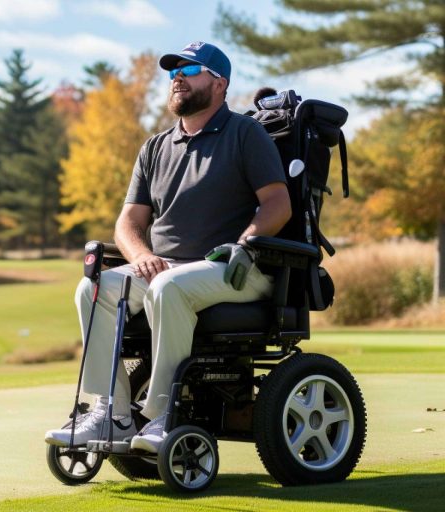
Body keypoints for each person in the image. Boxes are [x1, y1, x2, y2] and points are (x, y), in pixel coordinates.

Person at [45, 42, 292, 454]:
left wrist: (243, 245)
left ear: (219, 83)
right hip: (166, 269)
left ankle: (164, 414)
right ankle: (113, 414)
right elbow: (128, 223)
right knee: (93, 288)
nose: (177, 77)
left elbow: (278, 204)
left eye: (190, 69)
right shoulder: (155, 147)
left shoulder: (245, 134)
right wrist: (141, 256)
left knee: (167, 287)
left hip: (235, 268)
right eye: (173, 71)